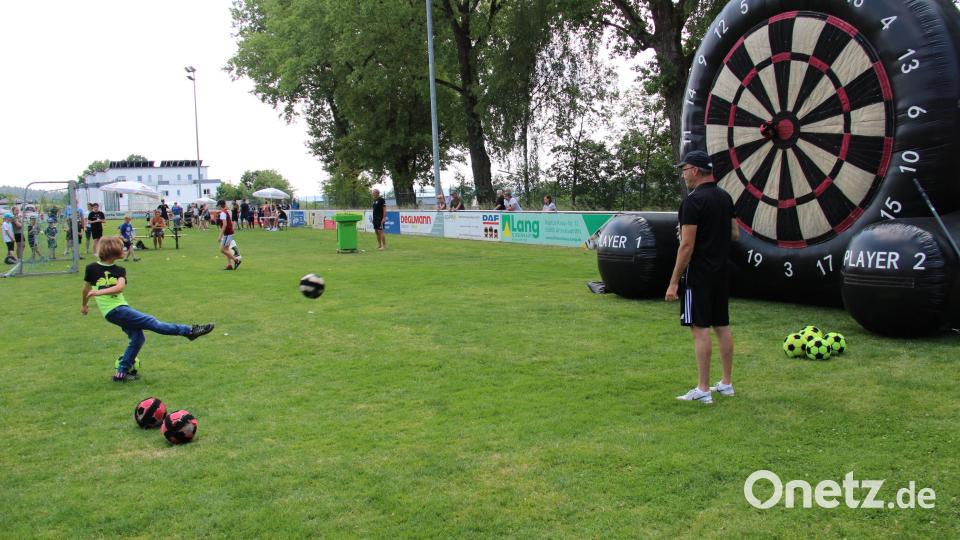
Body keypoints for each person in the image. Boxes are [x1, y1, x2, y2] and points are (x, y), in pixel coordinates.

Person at [81, 236, 215, 382]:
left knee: (138, 339)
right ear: (112, 250)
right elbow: (85, 289)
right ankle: (189, 331)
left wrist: (98, 292)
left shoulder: (119, 270)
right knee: (152, 322)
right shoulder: (92, 268)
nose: (124, 249)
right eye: (121, 247)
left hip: (121, 309)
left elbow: (120, 288)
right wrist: (84, 305)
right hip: (114, 310)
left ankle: (121, 373)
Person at [665, 150, 738, 405]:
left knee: (700, 329)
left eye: (684, 170)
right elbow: (735, 234)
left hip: (699, 275)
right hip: (721, 273)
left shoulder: (693, 202)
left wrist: (674, 281)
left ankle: (703, 389)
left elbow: (687, 246)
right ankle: (726, 384)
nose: (683, 175)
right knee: (722, 326)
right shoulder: (725, 197)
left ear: (695, 170)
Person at [216, 200, 241, 270]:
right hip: (229, 233)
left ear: (220, 205)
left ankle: (236, 260)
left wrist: (220, 235)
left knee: (222, 250)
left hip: (227, 233)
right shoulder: (225, 211)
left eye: (218, 205)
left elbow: (224, 225)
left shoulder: (223, 213)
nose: (217, 207)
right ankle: (229, 264)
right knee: (226, 249)